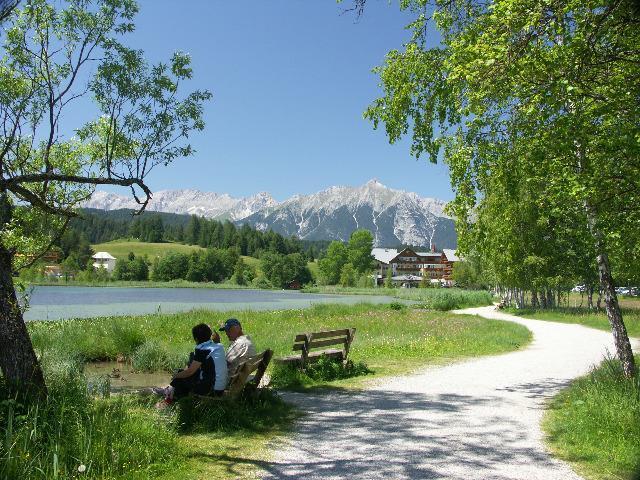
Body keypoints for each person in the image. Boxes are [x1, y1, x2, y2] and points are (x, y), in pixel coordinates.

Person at [154, 323, 227, 405]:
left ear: (196, 339)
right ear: (210, 335)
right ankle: (171, 394)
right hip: (220, 387)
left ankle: (168, 401)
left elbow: (189, 372)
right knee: (183, 373)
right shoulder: (219, 346)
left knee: (180, 377)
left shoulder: (202, 349)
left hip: (211, 390)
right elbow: (216, 341)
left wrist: (175, 376)